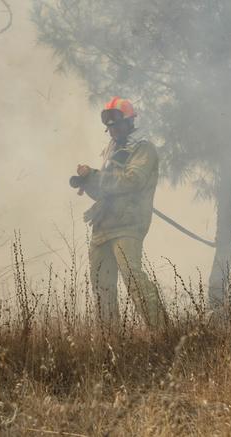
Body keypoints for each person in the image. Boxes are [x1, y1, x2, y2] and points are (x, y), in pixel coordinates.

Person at [71, 97, 167, 329]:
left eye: (117, 124)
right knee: (101, 286)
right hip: (102, 226)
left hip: (128, 224)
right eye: (110, 125)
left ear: (130, 121)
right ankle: (110, 344)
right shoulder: (111, 151)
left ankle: (165, 334)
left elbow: (132, 181)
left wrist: (95, 175)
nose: (113, 129)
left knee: (133, 278)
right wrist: (89, 181)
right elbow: (107, 191)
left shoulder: (143, 148)